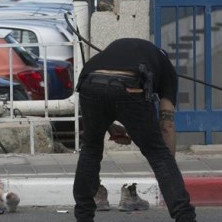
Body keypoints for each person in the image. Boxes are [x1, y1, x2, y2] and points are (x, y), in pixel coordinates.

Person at [73, 38, 197, 222]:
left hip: (89, 82)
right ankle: (185, 217)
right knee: (158, 154)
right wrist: (167, 167)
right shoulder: (166, 68)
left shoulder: (118, 47)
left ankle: (83, 216)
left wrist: (109, 124)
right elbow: (167, 125)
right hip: (129, 84)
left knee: (90, 149)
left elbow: (105, 89)